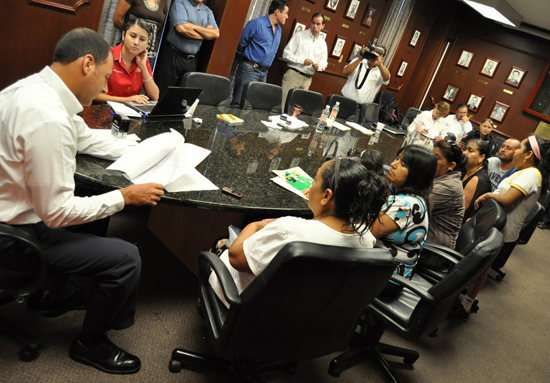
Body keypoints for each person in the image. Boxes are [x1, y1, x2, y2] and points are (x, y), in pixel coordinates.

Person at [0, 28, 165, 374]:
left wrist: (147, 150)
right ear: (87, 64)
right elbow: (57, 213)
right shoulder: (48, 119)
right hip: (14, 238)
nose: (105, 88)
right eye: (105, 77)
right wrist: (125, 197)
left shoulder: (34, 88)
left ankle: (65, 290)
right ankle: (90, 344)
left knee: (91, 193)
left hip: (11, 209)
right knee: (126, 257)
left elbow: (86, 139)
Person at [208, 158, 391, 307]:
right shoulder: (366, 239)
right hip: (302, 317)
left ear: (326, 196)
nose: (311, 185)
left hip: (251, 309)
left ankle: (205, 304)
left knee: (221, 244)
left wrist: (258, 225)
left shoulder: (290, 230)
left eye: (315, 180)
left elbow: (235, 259)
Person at [451, 135, 550, 320]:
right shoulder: (523, 170)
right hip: (493, 224)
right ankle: (466, 303)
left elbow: (507, 199)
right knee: (481, 267)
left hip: (501, 228)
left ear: (528, 154)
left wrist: (487, 195)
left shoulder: (530, 174)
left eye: (519, 147)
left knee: (478, 266)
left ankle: (463, 305)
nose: (515, 151)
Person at [370, 145, 437, 284]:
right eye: (396, 159)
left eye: (403, 164)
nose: (393, 165)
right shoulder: (417, 198)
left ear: (416, 174)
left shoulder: (403, 204)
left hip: (383, 279)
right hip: (392, 273)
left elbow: (365, 231)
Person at [230, 0, 289, 108]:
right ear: (277, 12)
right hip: (249, 70)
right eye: (285, 13)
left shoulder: (279, 30)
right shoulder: (256, 23)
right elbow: (241, 44)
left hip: (264, 73)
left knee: (253, 106)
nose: (287, 16)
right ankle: (228, 126)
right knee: (238, 104)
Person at [154, 0, 219, 97]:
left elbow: (216, 34)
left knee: (182, 98)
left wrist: (191, 25)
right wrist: (205, 34)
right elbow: (182, 28)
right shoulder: (180, 3)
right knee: (162, 94)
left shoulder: (208, 11)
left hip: (191, 61)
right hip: (172, 56)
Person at [420, 139, 466, 269]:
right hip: (426, 241)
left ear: (451, 165)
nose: (430, 161)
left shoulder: (449, 186)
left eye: (436, 158)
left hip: (432, 253)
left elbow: (412, 205)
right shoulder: (443, 177)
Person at [94, 19, 159, 104]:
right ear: (123, 35)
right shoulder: (107, 56)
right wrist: (126, 100)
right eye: (133, 36)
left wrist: (143, 67)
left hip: (128, 112)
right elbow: (93, 95)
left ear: (147, 43)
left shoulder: (143, 60)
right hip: (102, 109)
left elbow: (155, 96)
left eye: (142, 39)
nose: (136, 42)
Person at [281, 13, 327, 109]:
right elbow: (286, 54)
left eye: (318, 24)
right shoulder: (299, 35)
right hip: (294, 75)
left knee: (297, 108)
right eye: (313, 23)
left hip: (307, 79)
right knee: (284, 105)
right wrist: (302, 61)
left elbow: (324, 63)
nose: (315, 26)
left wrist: (318, 66)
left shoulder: (323, 43)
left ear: (323, 26)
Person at [112, 0, 170, 68]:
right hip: (128, 50)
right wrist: (130, 34)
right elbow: (117, 19)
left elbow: (159, 25)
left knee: (143, 77)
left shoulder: (163, 1)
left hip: (149, 54)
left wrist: (146, 36)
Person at [341, 41, 390, 110]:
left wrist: (379, 64)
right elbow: (345, 72)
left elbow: (387, 78)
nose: (375, 55)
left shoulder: (381, 71)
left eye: (379, 54)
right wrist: (360, 58)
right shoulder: (359, 62)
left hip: (361, 109)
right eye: (374, 51)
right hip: (343, 102)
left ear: (383, 58)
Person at [461, 139, 491, 223]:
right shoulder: (465, 168)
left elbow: (459, 210)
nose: (464, 153)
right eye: (465, 149)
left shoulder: (477, 179)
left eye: (470, 151)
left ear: (481, 157)